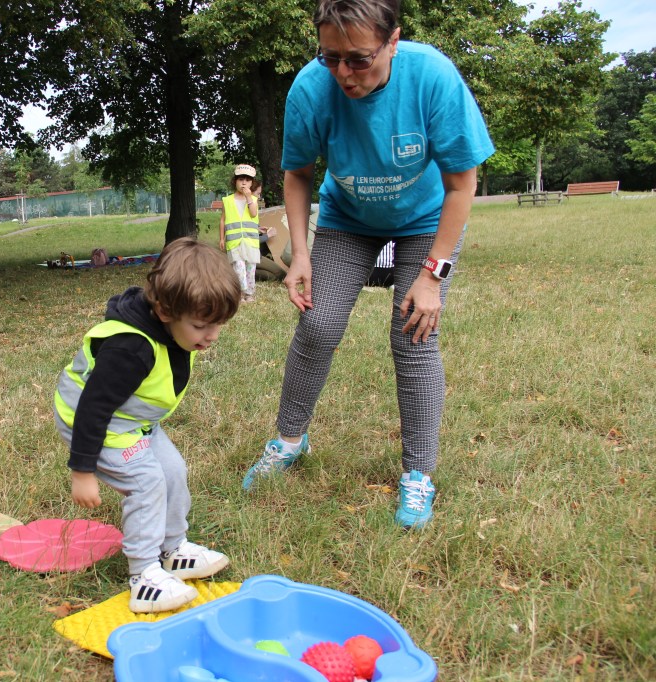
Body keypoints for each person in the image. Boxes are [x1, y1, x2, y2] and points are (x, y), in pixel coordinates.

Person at [241, 0, 495, 531]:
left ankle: (419, 474)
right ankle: (290, 439)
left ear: (393, 40)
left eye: (358, 59)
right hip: (346, 218)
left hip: (425, 217)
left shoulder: (431, 76)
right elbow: (297, 175)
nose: (343, 74)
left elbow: (461, 183)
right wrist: (301, 254)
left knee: (414, 334)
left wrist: (432, 275)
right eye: (330, 57)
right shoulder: (313, 88)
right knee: (318, 321)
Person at [53, 238, 241, 613]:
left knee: (172, 469)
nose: (213, 336)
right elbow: (93, 408)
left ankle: (173, 549)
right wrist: (83, 470)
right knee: (147, 481)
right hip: (94, 426)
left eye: (219, 324)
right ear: (166, 310)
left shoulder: (172, 326)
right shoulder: (130, 348)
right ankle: (143, 575)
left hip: (133, 421)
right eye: (203, 325)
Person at [219, 164, 264, 303]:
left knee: (250, 268)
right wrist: (222, 238)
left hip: (250, 240)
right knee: (238, 268)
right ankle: (240, 293)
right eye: (240, 179)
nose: (244, 183)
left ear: (252, 183)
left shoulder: (254, 200)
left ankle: (249, 293)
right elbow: (223, 220)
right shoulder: (227, 200)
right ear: (235, 181)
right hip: (234, 240)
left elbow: (253, 213)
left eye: (248, 180)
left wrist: (249, 197)